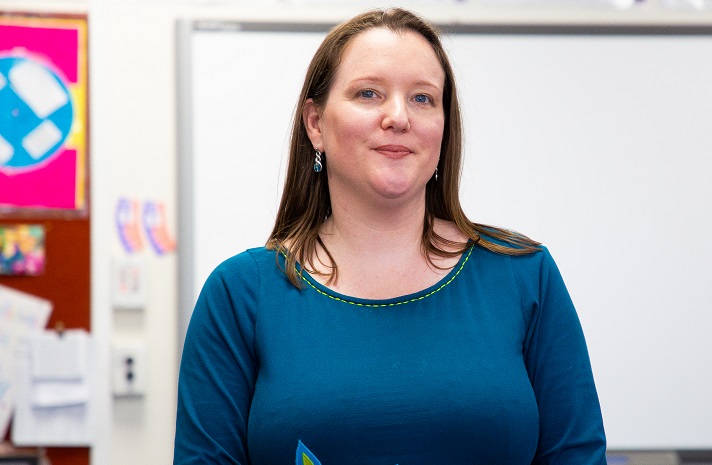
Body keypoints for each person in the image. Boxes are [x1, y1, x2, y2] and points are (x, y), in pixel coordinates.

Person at [174, 7, 606, 465]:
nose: (398, 116)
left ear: (443, 128)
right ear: (315, 124)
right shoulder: (241, 295)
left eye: (422, 99)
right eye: (369, 93)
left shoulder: (525, 276)